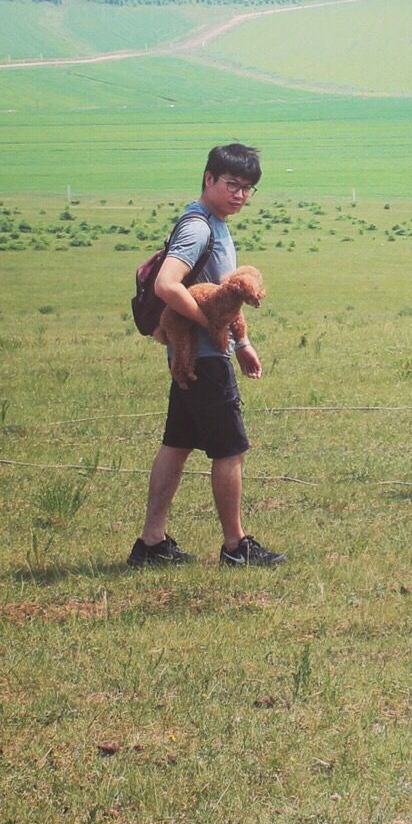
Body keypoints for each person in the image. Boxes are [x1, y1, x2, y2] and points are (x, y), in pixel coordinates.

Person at [129, 143, 285, 569]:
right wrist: (209, 326)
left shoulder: (215, 223)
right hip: (204, 359)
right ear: (208, 179)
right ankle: (237, 548)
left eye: (247, 188)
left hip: (194, 359)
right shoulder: (199, 228)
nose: (239, 195)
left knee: (176, 444)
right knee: (229, 449)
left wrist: (242, 343)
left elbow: (224, 297)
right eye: (231, 184)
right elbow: (167, 285)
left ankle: (152, 544)